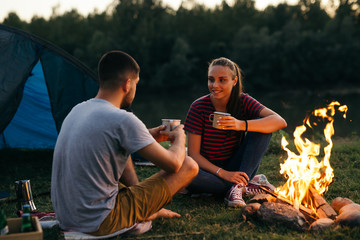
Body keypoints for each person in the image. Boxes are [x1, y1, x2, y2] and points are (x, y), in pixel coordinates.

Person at [51, 50, 198, 238]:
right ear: (128, 84)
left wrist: (146, 136)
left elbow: (109, 144)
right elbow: (174, 163)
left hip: (68, 217)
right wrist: (180, 137)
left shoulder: (78, 110)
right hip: (98, 222)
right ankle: (142, 211)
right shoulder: (123, 119)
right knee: (189, 165)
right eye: (136, 84)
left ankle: (142, 208)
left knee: (123, 159)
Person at [184, 57, 287, 207]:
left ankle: (237, 187)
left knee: (263, 126)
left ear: (234, 81)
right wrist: (223, 173)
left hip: (236, 166)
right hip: (207, 170)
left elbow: (279, 121)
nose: (215, 85)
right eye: (211, 80)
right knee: (188, 176)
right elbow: (193, 155)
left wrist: (241, 125)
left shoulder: (243, 101)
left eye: (222, 80)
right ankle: (242, 185)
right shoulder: (198, 107)